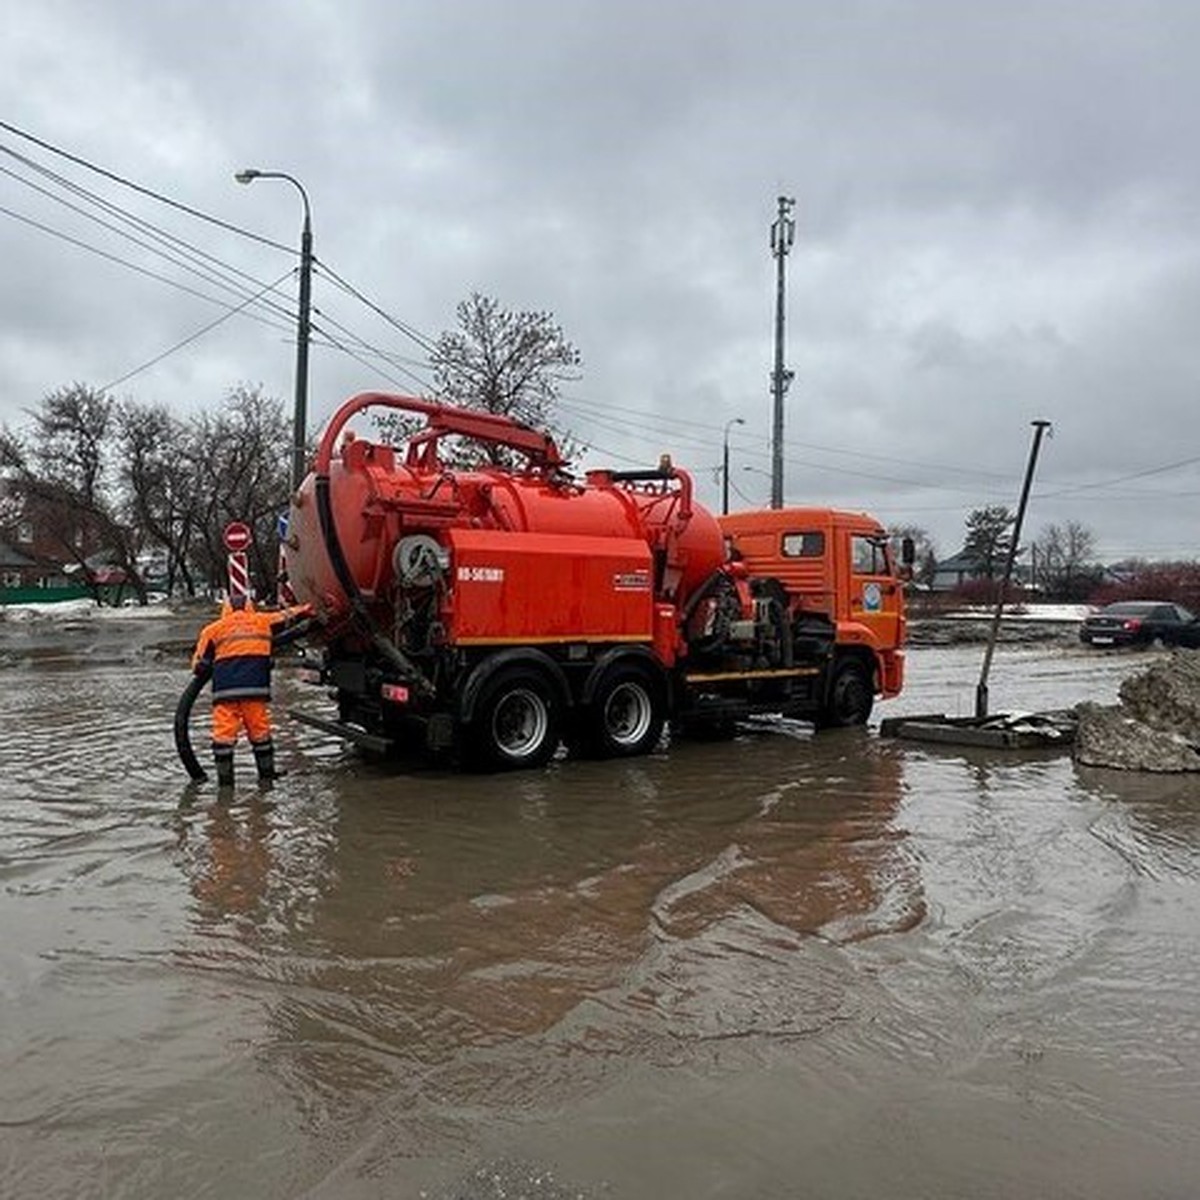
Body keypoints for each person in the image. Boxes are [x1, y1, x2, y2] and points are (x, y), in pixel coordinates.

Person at [191, 593, 313, 786]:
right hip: (255, 692)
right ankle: (266, 776)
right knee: (260, 733)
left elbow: (199, 666)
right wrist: (307, 609)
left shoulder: (212, 630)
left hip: (225, 694)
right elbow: (286, 616)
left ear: (226, 609)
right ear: (250, 606)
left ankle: (225, 785)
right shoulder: (262, 621)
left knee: (223, 736)